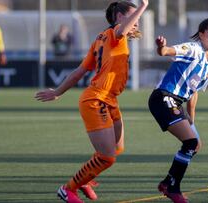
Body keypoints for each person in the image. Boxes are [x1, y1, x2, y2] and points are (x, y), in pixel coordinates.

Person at [35, 1, 149, 203]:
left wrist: (58, 91)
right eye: (134, 17)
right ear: (120, 17)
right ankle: (68, 189)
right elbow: (122, 31)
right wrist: (143, 5)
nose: (137, 21)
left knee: (116, 148)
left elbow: (80, 71)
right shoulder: (115, 33)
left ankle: (86, 179)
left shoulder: (100, 39)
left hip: (108, 99)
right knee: (107, 157)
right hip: (96, 99)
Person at [148, 18, 208, 203]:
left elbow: (193, 94)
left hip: (176, 102)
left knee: (195, 144)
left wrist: (191, 122)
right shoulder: (193, 49)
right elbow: (166, 51)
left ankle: (167, 182)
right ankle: (173, 188)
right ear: (201, 34)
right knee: (190, 142)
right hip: (163, 98)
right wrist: (161, 47)